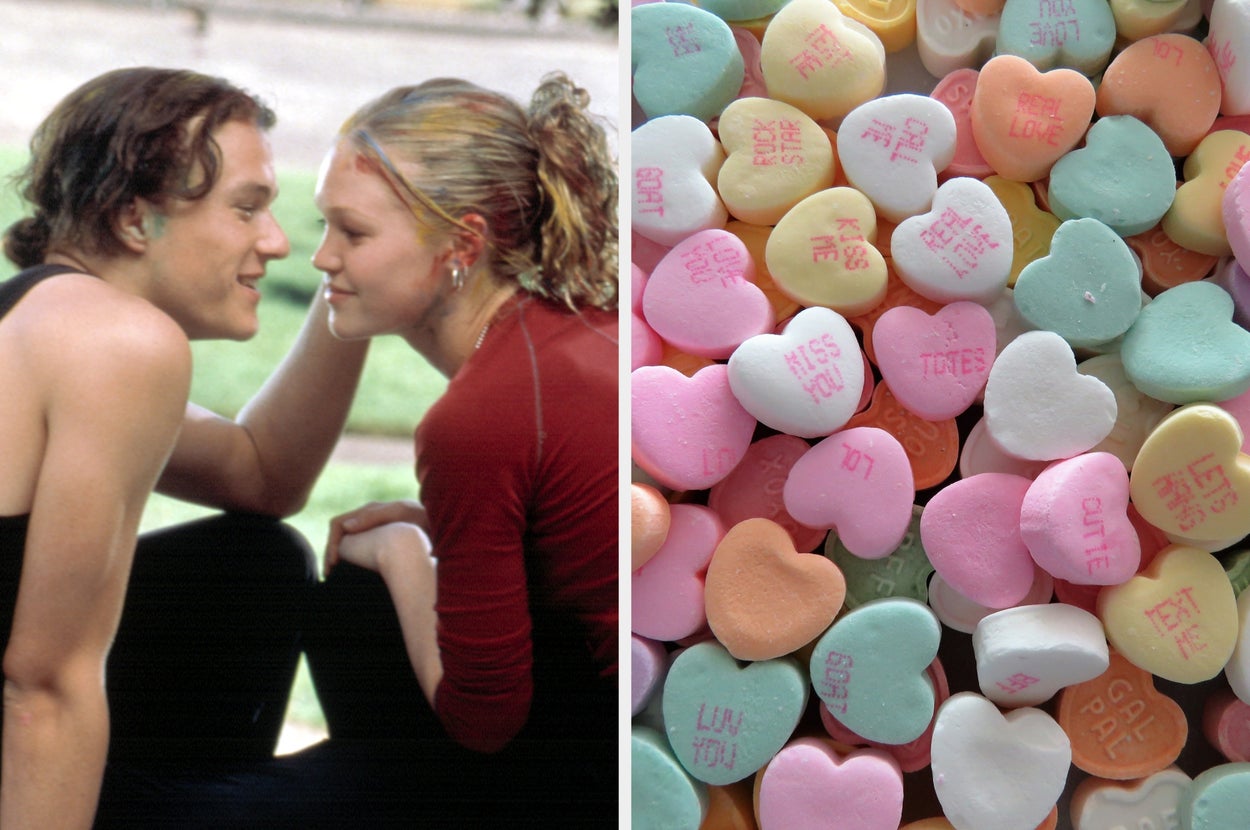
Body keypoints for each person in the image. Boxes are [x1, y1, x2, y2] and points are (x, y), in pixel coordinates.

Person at [0, 66, 368, 828]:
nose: (276, 242)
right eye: (247, 209)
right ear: (136, 221)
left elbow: (265, 476)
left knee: (251, 565)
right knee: (396, 791)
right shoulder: (119, 342)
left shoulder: (38, 316)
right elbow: (44, 683)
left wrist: (357, 280)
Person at [291, 71, 619, 825]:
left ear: (461, 244)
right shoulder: (590, 321)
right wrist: (448, 525)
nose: (322, 260)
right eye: (325, 226)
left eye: (354, 232)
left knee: (357, 598)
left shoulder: (473, 421)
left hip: (609, 768)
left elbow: (484, 718)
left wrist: (409, 551)